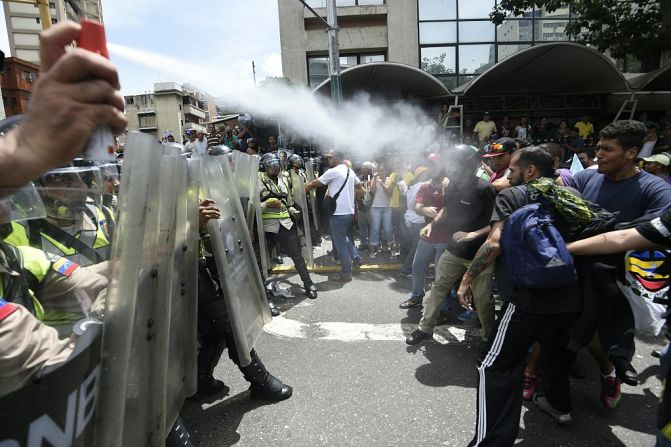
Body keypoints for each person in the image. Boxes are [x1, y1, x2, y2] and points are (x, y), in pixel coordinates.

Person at [0, 20, 126, 393]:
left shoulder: (19, 258)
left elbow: (97, 274)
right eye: (58, 178)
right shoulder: (24, 235)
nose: (73, 186)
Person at [456, 147, 589, 445]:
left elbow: (494, 242)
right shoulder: (572, 195)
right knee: (553, 352)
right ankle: (560, 406)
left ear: (530, 171)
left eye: (512, 170)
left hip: (530, 298)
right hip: (570, 297)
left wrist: (466, 279)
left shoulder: (513, 196)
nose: (508, 175)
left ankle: (490, 442)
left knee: (493, 365)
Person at [572, 120, 671, 386]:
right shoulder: (584, 178)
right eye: (598, 148)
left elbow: (649, 234)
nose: (598, 155)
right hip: (577, 262)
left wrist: (611, 230)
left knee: (611, 306)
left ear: (631, 153)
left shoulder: (656, 189)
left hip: (623, 269)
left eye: (607, 149)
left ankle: (619, 359)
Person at [565, 210, 671, 447]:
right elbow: (622, 237)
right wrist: (566, 247)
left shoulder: (655, 190)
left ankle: (611, 371)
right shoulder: (587, 179)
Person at [194, 198, 293, 400]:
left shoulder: (190, 195)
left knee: (214, 329)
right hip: (180, 277)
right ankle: (260, 381)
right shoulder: (156, 200)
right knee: (231, 327)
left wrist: (203, 229)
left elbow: (208, 246)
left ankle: (200, 380)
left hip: (198, 274)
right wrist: (192, 225)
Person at [405, 145, 496, 342]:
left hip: (480, 254)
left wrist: (473, 234)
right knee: (438, 287)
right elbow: (446, 209)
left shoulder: (485, 188)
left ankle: (489, 337)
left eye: (455, 164)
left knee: (482, 298)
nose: (451, 168)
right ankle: (425, 328)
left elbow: (496, 224)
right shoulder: (452, 185)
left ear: (467, 165)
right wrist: (432, 224)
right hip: (454, 251)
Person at [258, 154, 317, 300]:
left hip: (286, 224)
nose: (275, 167)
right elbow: (250, 207)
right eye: (272, 165)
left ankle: (308, 284)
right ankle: (264, 296)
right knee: (263, 262)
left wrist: (293, 211)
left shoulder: (283, 179)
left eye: (277, 164)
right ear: (264, 166)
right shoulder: (257, 180)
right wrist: (266, 205)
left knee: (297, 255)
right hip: (267, 228)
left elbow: (288, 202)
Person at [305, 150, 362, 283]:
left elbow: (313, 184)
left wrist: (298, 193)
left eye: (330, 158)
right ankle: (357, 257)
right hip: (349, 212)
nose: (328, 160)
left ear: (337, 158)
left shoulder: (333, 171)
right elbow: (361, 189)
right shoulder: (350, 171)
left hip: (337, 214)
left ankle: (346, 274)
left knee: (340, 243)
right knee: (344, 236)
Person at [398, 160, 448, 309]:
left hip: (445, 238)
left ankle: (443, 307)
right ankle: (416, 297)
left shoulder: (449, 185)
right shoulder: (425, 186)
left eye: (436, 166)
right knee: (417, 267)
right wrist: (424, 210)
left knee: (441, 274)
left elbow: (450, 208)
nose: (432, 169)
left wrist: (445, 188)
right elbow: (416, 205)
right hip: (427, 236)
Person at [399, 166, 430, 278]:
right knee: (418, 247)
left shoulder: (413, 185)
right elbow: (415, 204)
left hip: (411, 219)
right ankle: (406, 270)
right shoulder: (422, 186)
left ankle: (421, 270)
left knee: (416, 247)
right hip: (418, 219)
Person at [368, 162, 396, 258]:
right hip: (375, 207)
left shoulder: (389, 180)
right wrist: (375, 179)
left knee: (388, 229)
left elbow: (388, 193)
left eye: (382, 170)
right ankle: (372, 251)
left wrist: (381, 182)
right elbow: (372, 191)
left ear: (386, 171)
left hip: (387, 208)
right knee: (375, 229)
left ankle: (392, 248)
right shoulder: (376, 179)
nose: (380, 172)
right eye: (379, 170)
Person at [356, 161, 375, 251]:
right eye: (363, 168)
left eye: (366, 168)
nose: (364, 170)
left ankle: (372, 243)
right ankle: (363, 243)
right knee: (362, 226)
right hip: (361, 206)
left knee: (372, 226)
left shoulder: (374, 178)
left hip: (371, 206)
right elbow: (356, 190)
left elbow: (373, 191)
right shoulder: (359, 178)